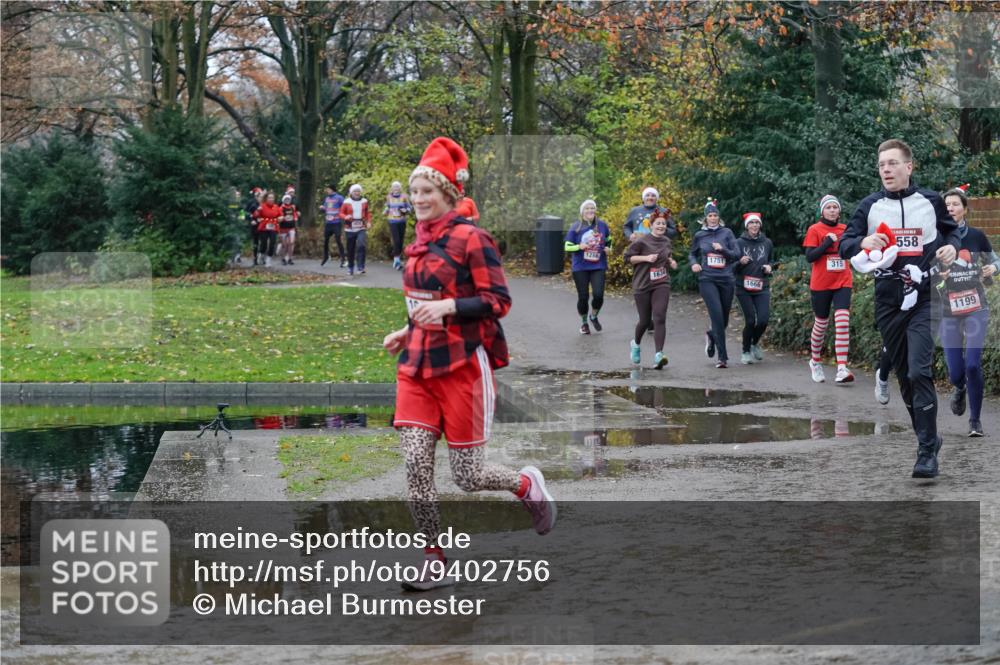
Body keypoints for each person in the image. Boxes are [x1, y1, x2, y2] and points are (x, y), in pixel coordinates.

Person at [382, 137, 556, 591]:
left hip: (462, 366)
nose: (418, 199)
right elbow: (421, 298)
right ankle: (434, 559)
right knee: (416, 465)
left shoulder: (471, 239)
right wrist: (407, 329)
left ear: (448, 195)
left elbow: (498, 302)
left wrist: (449, 310)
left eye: (427, 191)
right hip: (417, 365)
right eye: (415, 191)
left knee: (468, 476)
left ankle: (525, 486)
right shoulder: (417, 242)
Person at [839, 138, 960, 478]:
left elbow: (953, 234)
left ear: (909, 166)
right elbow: (846, 243)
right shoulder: (870, 205)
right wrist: (863, 241)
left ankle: (925, 452)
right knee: (905, 377)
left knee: (920, 371)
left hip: (925, 296)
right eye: (881, 165)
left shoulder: (931, 201)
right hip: (889, 300)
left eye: (892, 163)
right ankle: (929, 437)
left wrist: (951, 248)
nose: (886, 170)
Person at [936, 184, 998, 437]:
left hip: (976, 308)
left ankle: (975, 421)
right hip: (948, 310)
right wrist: (940, 276)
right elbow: (927, 276)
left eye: (955, 204)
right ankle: (959, 388)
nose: (951, 208)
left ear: (964, 209)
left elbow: (995, 260)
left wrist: (993, 269)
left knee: (972, 365)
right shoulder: (936, 238)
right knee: (955, 372)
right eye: (947, 205)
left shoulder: (977, 236)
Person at [803, 195, 855, 384]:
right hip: (821, 283)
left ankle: (842, 367)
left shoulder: (845, 229)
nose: (832, 210)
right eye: (829, 207)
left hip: (843, 280)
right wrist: (826, 243)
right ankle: (815, 360)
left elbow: (853, 250)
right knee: (822, 324)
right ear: (822, 211)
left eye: (835, 207)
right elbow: (810, 257)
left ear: (839, 211)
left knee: (842, 320)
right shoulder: (815, 229)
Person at [689, 199, 740, 368]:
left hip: (726, 279)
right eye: (710, 216)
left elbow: (737, 255)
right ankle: (722, 357)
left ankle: (711, 334)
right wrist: (694, 264)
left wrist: (722, 249)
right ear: (706, 218)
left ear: (719, 217)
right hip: (707, 278)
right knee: (716, 315)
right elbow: (692, 254)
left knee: (723, 319)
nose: (713, 218)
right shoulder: (700, 235)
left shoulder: (727, 233)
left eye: (715, 215)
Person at [624, 211, 677, 369]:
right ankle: (636, 344)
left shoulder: (667, 241)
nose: (661, 226)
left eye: (663, 224)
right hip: (643, 284)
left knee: (660, 317)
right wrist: (645, 258)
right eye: (658, 223)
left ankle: (659, 354)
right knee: (645, 321)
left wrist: (671, 262)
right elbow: (628, 258)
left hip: (661, 283)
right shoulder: (642, 241)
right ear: (651, 225)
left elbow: (666, 258)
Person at [734, 212, 776, 365]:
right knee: (750, 320)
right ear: (747, 226)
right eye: (751, 223)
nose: (754, 226)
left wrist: (769, 267)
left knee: (763, 319)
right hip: (743, 287)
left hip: (761, 286)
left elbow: (772, 260)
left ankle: (754, 343)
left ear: (760, 225)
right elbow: (731, 266)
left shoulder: (767, 242)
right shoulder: (738, 243)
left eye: (757, 223)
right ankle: (745, 351)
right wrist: (740, 262)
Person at [564, 199, 611, 334]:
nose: (590, 211)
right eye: (587, 208)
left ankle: (593, 316)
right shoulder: (576, 226)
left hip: (598, 265)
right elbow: (567, 246)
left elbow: (609, 240)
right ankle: (584, 323)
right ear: (582, 212)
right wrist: (579, 246)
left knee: (598, 295)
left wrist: (609, 249)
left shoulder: (602, 225)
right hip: (581, 267)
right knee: (583, 297)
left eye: (592, 208)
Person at [340, 184, 371, 275]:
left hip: (361, 227)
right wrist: (346, 216)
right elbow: (341, 213)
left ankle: (361, 267)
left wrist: (369, 222)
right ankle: (350, 267)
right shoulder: (346, 202)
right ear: (351, 192)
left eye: (358, 191)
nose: (357, 193)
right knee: (351, 248)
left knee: (361, 245)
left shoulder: (364, 201)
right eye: (355, 191)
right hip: (350, 228)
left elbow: (367, 213)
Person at [385, 181, 413, 270]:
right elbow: (387, 206)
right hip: (392, 221)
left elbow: (410, 208)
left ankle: (398, 258)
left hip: (402, 221)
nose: (396, 189)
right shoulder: (388, 197)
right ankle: (396, 260)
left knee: (400, 241)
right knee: (396, 240)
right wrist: (385, 211)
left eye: (397, 187)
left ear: (400, 188)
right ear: (392, 188)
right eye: (394, 187)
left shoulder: (404, 196)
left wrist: (406, 210)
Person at [252, 191, 281, 267]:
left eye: (272, 198)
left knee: (272, 243)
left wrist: (281, 218)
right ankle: (261, 254)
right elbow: (255, 215)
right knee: (264, 244)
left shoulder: (276, 207)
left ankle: (269, 259)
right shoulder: (262, 206)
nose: (271, 199)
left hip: (273, 226)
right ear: (266, 199)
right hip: (264, 227)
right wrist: (258, 210)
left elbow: (281, 215)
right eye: (269, 198)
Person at [320, 185, 346, 267]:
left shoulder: (339, 198)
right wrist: (322, 208)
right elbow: (326, 208)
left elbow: (344, 207)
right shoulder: (327, 198)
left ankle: (343, 259)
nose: (327, 191)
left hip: (336, 222)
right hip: (328, 223)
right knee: (326, 240)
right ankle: (326, 256)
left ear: (332, 189)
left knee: (338, 240)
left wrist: (342, 215)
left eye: (328, 189)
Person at [278, 193, 299, 265]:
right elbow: (279, 217)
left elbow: (295, 215)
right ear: (283, 200)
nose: (287, 200)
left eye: (288, 199)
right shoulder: (281, 208)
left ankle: (290, 258)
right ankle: (283, 258)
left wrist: (295, 218)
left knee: (291, 243)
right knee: (284, 244)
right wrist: (283, 218)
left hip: (291, 227)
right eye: (286, 199)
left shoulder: (292, 207)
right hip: (283, 228)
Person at [245, 187, 264, 265]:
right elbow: (245, 212)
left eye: (260, 195)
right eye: (258, 195)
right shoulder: (251, 202)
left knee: (264, 242)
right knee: (255, 242)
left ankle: (262, 257)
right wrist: (251, 220)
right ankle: (255, 259)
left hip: (263, 225)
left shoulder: (264, 203)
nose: (259, 197)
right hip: (255, 225)